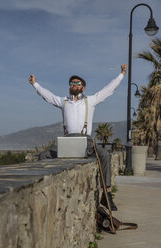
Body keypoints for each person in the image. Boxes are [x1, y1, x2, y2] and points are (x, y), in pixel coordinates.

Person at [28, 64, 127, 211]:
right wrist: (35, 84)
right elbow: (48, 96)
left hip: (86, 142)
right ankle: (46, 193)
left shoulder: (91, 100)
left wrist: (122, 74)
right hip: (67, 141)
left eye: (77, 83)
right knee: (43, 156)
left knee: (105, 155)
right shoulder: (64, 102)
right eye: (72, 83)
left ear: (83, 87)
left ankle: (106, 196)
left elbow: (108, 89)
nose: (74, 85)